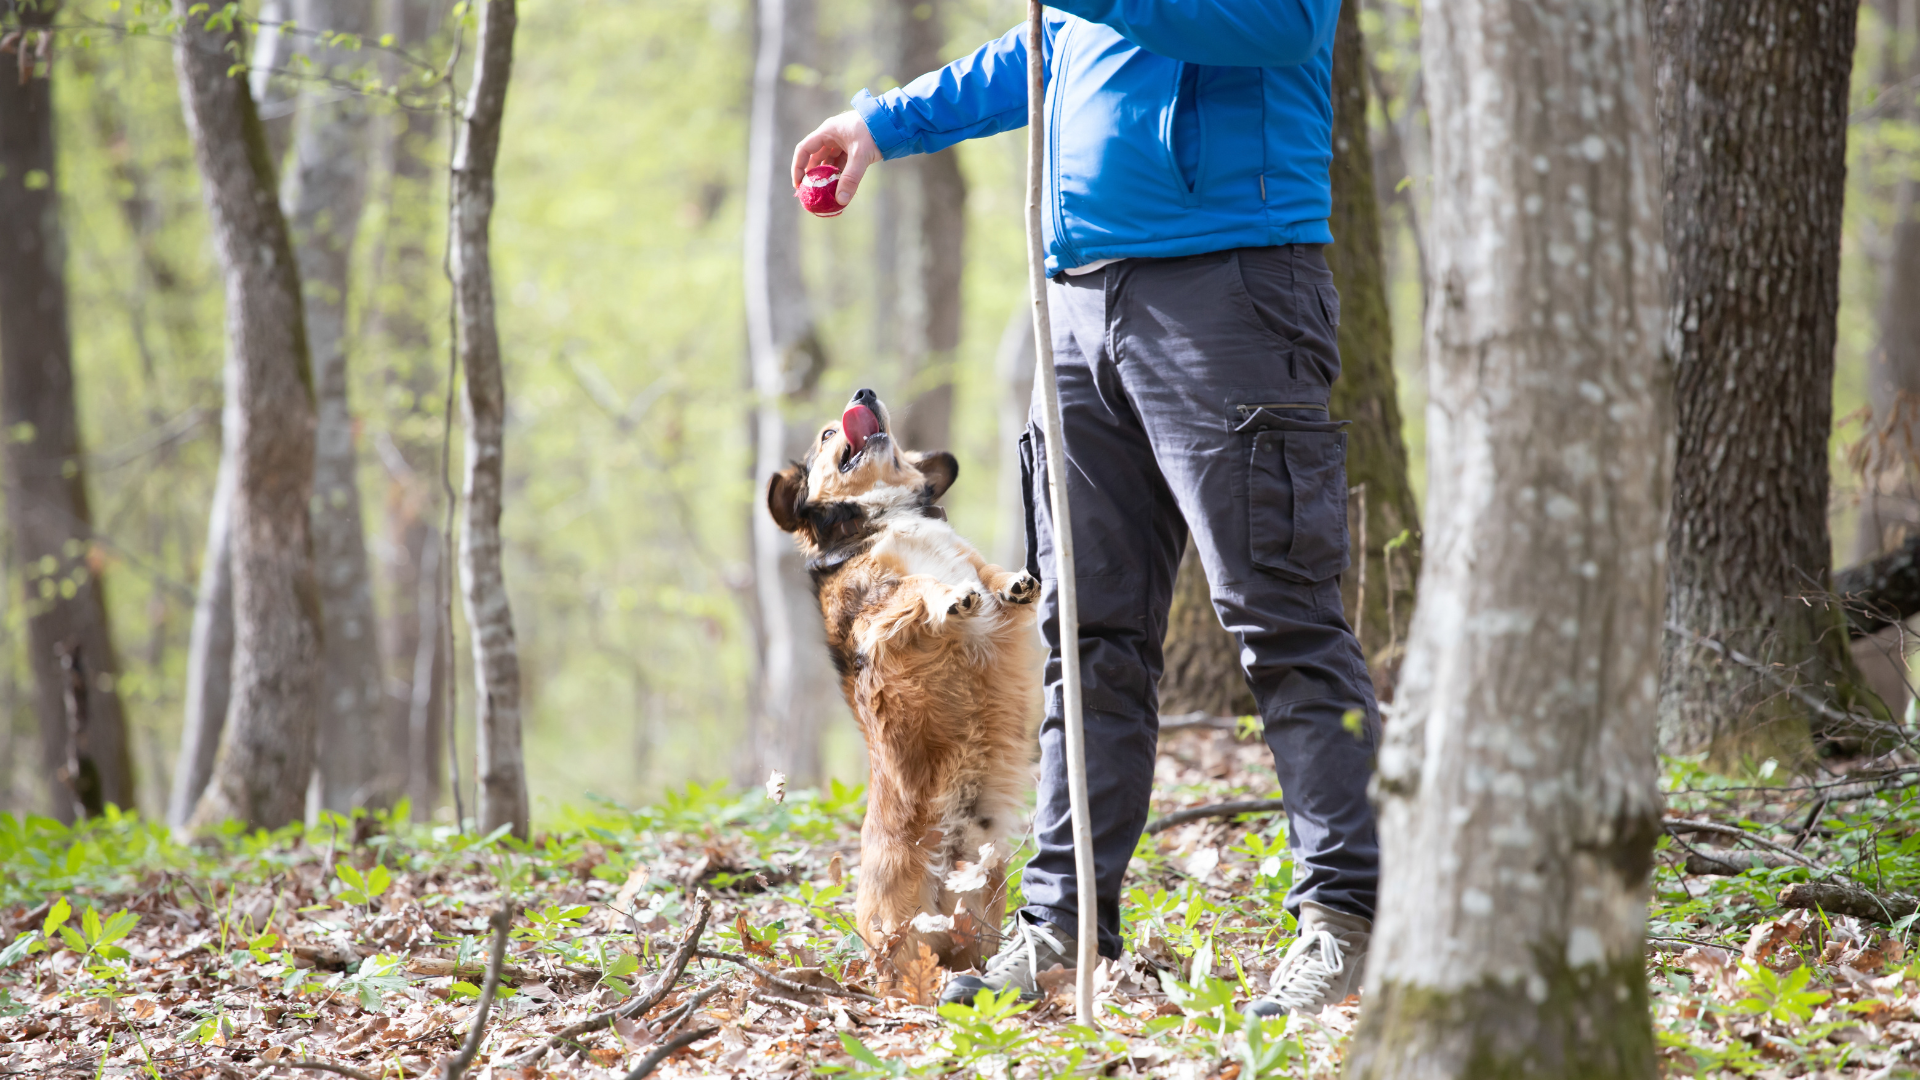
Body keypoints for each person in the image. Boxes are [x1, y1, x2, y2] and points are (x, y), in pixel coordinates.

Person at [791, 0, 1377, 1019]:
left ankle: (1347, 921)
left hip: (1233, 286)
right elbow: (1045, 45)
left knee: (1281, 620)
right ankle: (1065, 928)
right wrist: (879, 126)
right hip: (1080, 305)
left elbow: (1281, 28)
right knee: (1084, 631)